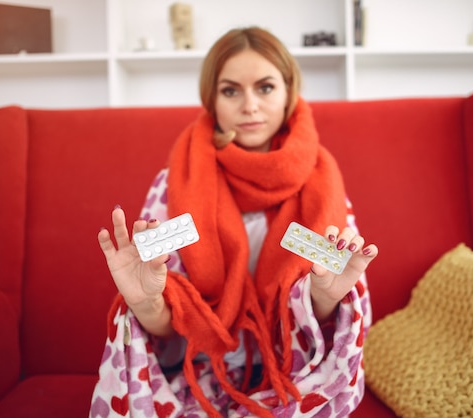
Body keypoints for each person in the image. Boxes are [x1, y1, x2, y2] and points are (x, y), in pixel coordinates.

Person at [90, 26, 378, 418]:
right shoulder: (175, 181)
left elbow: (325, 318)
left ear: (289, 92)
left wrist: (327, 295)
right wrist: (144, 302)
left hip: (294, 377)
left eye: (265, 87)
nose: (249, 106)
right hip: (205, 374)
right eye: (230, 91)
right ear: (212, 99)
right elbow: (170, 330)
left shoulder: (321, 180)